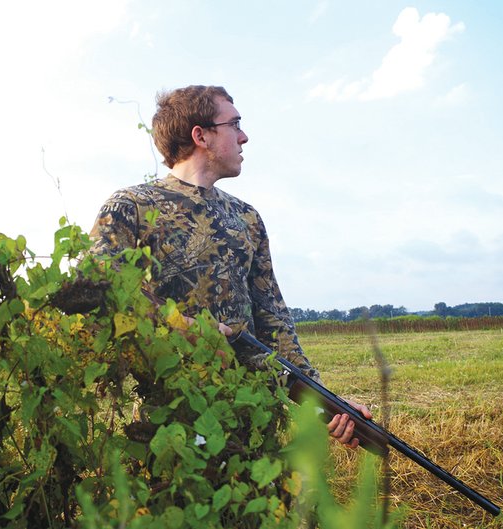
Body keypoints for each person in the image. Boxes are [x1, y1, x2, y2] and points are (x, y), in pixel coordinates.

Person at [89, 85, 370, 448]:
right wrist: (183, 325)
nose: (244, 136)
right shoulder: (132, 205)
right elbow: (97, 283)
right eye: (234, 124)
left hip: (253, 416)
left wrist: (328, 401)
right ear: (200, 135)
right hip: (171, 419)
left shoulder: (246, 218)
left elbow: (274, 321)